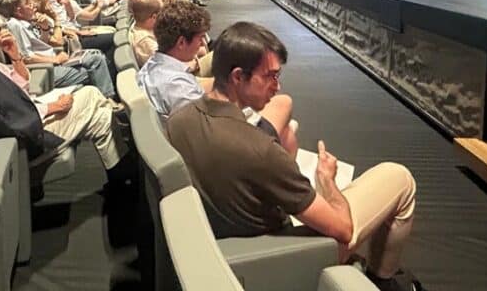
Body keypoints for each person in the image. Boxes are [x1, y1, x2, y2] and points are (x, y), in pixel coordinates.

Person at [166, 22, 418, 291]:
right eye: (270, 76)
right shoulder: (260, 151)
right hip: (282, 252)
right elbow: (343, 230)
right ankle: (382, 279)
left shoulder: (178, 120)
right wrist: (328, 182)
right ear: (238, 77)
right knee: (399, 178)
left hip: (226, 236)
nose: (277, 85)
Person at [0, 6, 128, 173]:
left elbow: (21, 86)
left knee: (100, 116)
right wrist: (53, 107)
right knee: (91, 95)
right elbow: (0, 118)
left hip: (27, 110)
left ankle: (119, 172)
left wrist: (15, 56)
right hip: (21, 138)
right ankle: (121, 168)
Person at [137, 1, 297, 154]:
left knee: (286, 128)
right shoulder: (178, 87)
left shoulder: (152, 67)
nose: (201, 45)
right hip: (214, 150)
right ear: (181, 43)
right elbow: (210, 130)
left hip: (188, 141)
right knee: (285, 109)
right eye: (200, 39)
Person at [0, 0, 116, 97]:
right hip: (43, 71)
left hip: (53, 62)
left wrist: (45, 29)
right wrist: (55, 59)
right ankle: (110, 101)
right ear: (18, 11)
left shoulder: (26, 22)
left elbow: (42, 45)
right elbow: (26, 57)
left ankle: (108, 98)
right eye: (28, 4)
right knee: (98, 67)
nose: (32, 6)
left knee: (96, 57)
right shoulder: (14, 24)